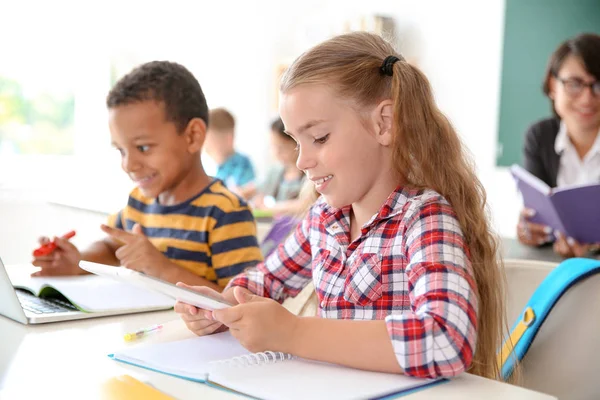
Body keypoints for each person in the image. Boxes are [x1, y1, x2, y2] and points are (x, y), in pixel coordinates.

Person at [175, 32, 505, 379]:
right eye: (296, 142)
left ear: (384, 123)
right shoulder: (323, 219)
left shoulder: (423, 218)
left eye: (318, 138)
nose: (302, 161)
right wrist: (222, 306)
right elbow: (266, 279)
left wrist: (294, 333)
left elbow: (446, 339)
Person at [32, 61, 263, 291]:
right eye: (121, 150)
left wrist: (162, 268)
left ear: (192, 136)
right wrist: (78, 261)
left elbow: (244, 301)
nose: (128, 164)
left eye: (143, 148)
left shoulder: (226, 212)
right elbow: (112, 247)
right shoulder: (139, 202)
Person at [518, 33, 600, 258]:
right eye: (575, 84)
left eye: (598, 85)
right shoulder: (539, 136)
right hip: (556, 268)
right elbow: (538, 217)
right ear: (553, 86)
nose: (587, 98)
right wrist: (531, 231)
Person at [248, 117, 306, 216]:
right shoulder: (276, 171)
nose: (276, 153)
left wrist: (273, 208)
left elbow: (306, 203)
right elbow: (257, 187)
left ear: (298, 143)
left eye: (281, 147)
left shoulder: (309, 175)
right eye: (273, 146)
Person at [203, 107, 256, 198]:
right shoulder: (208, 164)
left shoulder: (241, 164)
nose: (206, 145)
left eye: (211, 140)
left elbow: (247, 191)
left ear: (229, 139)